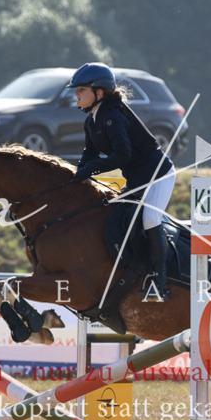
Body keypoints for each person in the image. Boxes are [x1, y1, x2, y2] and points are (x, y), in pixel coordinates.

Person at [67, 62, 175, 301]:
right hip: (137, 179)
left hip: (159, 175)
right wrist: (78, 173)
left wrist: (91, 169)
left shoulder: (113, 116)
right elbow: (90, 154)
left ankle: (161, 280)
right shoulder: (92, 120)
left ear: (99, 92)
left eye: (80, 90)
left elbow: (122, 155)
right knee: (115, 216)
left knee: (149, 219)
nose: (75, 94)